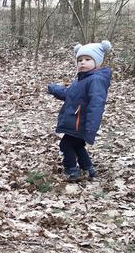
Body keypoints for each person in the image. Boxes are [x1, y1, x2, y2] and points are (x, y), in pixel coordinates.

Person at [46, 41, 112, 181]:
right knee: (77, 145)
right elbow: (70, 95)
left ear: (97, 62)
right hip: (75, 120)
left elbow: (96, 104)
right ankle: (88, 168)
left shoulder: (95, 80)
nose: (82, 63)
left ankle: (71, 170)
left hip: (80, 122)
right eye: (80, 60)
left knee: (65, 144)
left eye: (88, 59)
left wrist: (91, 127)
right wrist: (55, 89)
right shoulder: (81, 79)